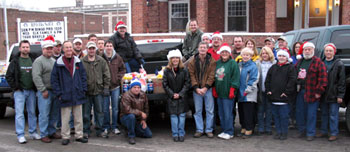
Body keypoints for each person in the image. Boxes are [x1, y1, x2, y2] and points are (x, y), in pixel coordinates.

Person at [51, 41, 88, 145]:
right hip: (65, 95)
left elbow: (83, 76)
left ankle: (79, 135)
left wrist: (83, 89)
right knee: (65, 118)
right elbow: (54, 80)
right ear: (63, 49)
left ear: (72, 49)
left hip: (77, 94)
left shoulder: (78, 62)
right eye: (66, 47)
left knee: (78, 118)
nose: (68, 49)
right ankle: (65, 136)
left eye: (70, 47)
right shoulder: (58, 63)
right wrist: (59, 93)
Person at [6, 40, 40, 144]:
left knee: (32, 112)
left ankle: (33, 132)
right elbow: (9, 76)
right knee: (20, 114)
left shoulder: (33, 59)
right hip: (20, 92)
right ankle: (20, 135)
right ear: (20, 49)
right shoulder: (15, 61)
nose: (26, 49)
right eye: (23, 47)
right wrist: (15, 87)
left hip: (31, 91)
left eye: (27, 47)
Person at [294, 42, 327, 141]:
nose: (307, 51)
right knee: (300, 112)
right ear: (303, 51)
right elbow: (294, 74)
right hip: (300, 91)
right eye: (305, 49)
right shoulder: (300, 61)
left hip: (312, 92)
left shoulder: (318, 62)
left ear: (313, 50)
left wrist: (319, 91)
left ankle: (310, 133)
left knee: (311, 114)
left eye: (309, 49)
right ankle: (302, 130)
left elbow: (323, 78)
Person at [32, 36, 61, 143]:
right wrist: (43, 90)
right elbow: (36, 76)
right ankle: (43, 134)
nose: (49, 50)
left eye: (50, 48)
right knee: (44, 114)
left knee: (54, 114)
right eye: (47, 48)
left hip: (54, 92)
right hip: (45, 92)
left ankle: (51, 131)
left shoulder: (54, 61)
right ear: (43, 49)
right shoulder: (38, 61)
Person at [265, 49, 297, 140]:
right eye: (280, 56)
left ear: (286, 57)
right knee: (276, 116)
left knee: (284, 116)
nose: (281, 58)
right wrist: (268, 90)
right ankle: (278, 132)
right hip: (274, 97)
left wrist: (287, 92)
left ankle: (284, 132)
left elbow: (292, 81)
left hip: (284, 98)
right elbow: (268, 80)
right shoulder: (273, 67)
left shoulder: (290, 68)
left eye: (283, 56)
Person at [316, 43, 345, 141]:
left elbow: (342, 81)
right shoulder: (321, 62)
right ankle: (324, 131)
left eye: (330, 51)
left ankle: (333, 133)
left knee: (333, 115)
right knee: (324, 113)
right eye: (327, 51)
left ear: (334, 52)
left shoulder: (339, 64)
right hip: (323, 93)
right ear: (324, 52)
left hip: (333, 94)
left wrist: (340, 95)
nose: (328, 52)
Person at [82, 41, 111, 138]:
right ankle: (86, 130)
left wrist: (106, 87)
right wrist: (82, 89)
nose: (91, 50)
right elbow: (78, 76)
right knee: (86, 113)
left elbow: (106, 75)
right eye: (89, 48)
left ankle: (100, 130)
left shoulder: (101, 61)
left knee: (99, 112)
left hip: (99, 91)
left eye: (93, 48)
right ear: (87, 49)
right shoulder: (82, 61)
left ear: (95, 49)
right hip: (86, 92)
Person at [188, 42, 216, 138]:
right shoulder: (192, 60)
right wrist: (196, 88)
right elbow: (191, 75)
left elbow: (212, 75)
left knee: (209, 111)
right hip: (197, 90)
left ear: (207, 49)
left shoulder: (212, 60)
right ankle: (199, 129)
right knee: (198, 111)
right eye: (201, 47)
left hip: (208, 89)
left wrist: (206, 87)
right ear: (198, 49)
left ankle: (209, 130)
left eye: (204, 47)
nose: (202, 49)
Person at [212, 43, 240, 140]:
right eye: (222, 52)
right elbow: (215, 77)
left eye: (226, 52)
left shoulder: (233, 63)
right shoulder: (218, 63)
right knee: (221, 113)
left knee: (228, 113)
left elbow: (235, 78)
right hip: (219, 93)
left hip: (228, 93)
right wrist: (215, 88)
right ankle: (224, 130)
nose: (224, 53)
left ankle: (229, 131)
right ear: (220, 53)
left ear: (229, 53)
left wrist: (232, 89)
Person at [162, 49, 191, 142]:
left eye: (177, 58)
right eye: (173, 58)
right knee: (173, 116)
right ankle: (175, 134)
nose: (175, 59)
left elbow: (187, 83)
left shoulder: (184, 70)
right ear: (170, 59)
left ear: (179, 59)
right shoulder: (167, 70)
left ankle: (181, 133)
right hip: (171, 98)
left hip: (182, 97)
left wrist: (181, 94)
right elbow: (165, 84)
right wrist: (172, 94)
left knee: (182, 116)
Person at [102, 40, 126, 135]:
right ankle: (106, 127)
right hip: (104, 87)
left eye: (110, 46)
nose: (109, 47)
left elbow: (123, 69)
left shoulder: (117, 57)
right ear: (104, 47)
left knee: (115, 108)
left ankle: (115, 126)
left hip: (115, 87)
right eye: (107, 46)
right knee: (105, 108)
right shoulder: (100, 57)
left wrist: (118, 78)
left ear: (113, 47)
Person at [120, 78, 152, 145]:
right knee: (131, 116)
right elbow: (127, 110)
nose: (137, 89)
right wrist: (140, 113)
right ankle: (131, 136)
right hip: (126, 117)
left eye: (138, 87)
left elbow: (146, 109)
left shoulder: (143, 95)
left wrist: (143, 120)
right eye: (134, 87)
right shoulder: (126, 96)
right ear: (131, 88)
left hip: (138, 119)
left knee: (148, 134)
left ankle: (130, 129)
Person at [237, 47, 259, 138]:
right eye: (244, 55)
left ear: (251, 56)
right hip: (240, 92)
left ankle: (249, 129)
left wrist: (248, 89)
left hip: (248, 93)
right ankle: (243, 127)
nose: (245, 56)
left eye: (247, 55)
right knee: (241, 111)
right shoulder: (239, 65)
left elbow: (254, 79)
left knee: (248, 112)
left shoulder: (253, 66)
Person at [255, 47, 276, 136]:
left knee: (269, 110)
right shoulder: (257, 63)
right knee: (260, 110)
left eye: (266, 53)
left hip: (270, 91)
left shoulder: (274, 64)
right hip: (260, 90)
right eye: (263, 53)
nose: (264, 55)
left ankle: (268, 127)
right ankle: (260, 127)